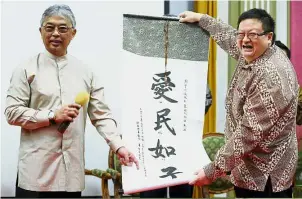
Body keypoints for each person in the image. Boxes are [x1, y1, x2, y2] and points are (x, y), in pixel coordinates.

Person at [4, 4, 138, 198]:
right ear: (40, 31)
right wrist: (51, 116)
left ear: (73, 33)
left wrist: (119, 146)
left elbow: (102, 116)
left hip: (70, 174)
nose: (55, 33)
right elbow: (12, 112)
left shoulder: (86, 72)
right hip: (35, 172)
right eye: (49, 28)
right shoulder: (26, 69)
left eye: (63, 28)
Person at [179, 8, 299, 198]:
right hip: (247, 169)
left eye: (252, 35)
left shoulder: (272, 77)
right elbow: (229, 37)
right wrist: (201, 18)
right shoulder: (258, 52)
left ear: (269, 37)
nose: (244, 40)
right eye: (241, 34)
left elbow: (249, 133)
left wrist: (212, 170)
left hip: (265, 175)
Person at [140, 85, 212, 198]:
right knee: (151, 189)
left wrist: (184, 110)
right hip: (153, 138)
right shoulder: (145, 72)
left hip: (181, 138)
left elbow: (206, 98)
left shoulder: (190, 69)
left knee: (181, 189)